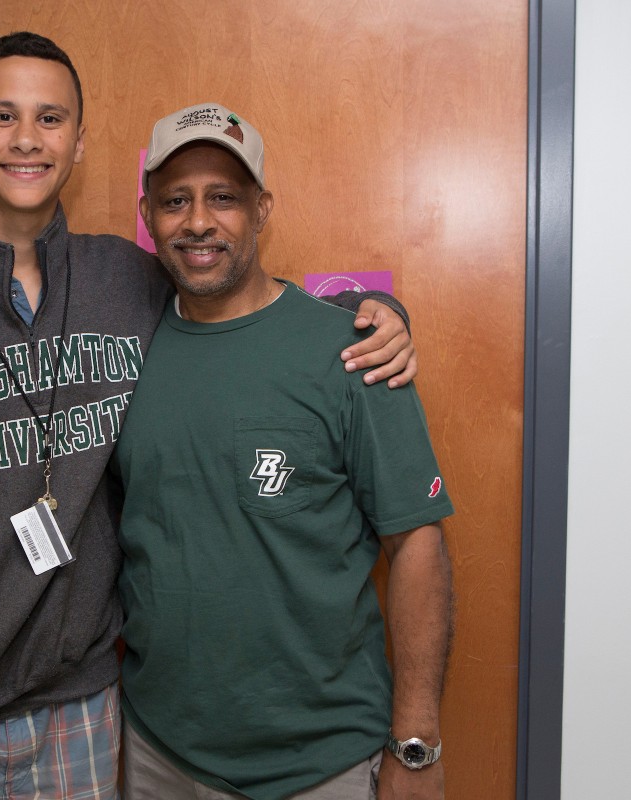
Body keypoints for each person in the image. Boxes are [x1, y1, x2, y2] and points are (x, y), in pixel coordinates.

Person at [0, 34, 416, 800]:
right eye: (2, 115)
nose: (24, 139)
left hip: (79, 713)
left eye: (49, 119)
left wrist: (367, 315)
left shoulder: (123, 279)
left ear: (78, 142)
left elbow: (230, 290)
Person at [114, 103, 455, 800]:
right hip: (156, 754)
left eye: (224, 198)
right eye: (175, 200)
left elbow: (417, 546)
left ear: (262, 209)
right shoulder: (123, 351)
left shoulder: (353, 351)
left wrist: (415, 745)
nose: (199, 222)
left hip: (322, 765)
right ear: (147, 214)